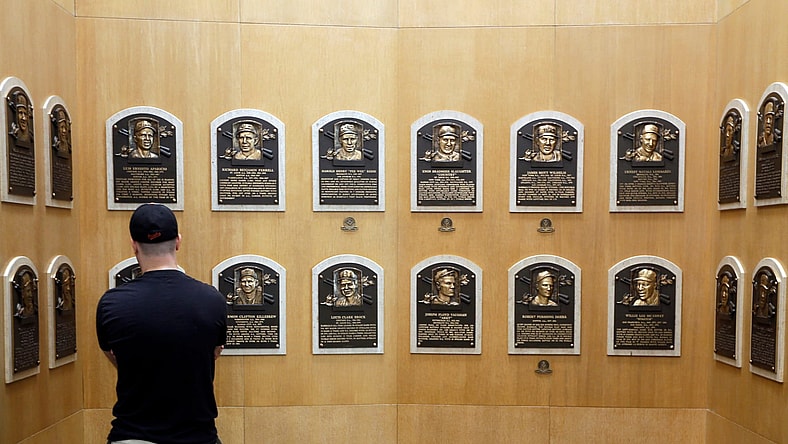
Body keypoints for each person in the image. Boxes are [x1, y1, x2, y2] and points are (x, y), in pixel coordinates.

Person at [96, 203, 226, 444]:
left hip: (131, 437)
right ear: (178, 241)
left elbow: (114, 356)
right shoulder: (212, 300)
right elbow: (214, 352)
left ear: (134, 245)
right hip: (197, 437)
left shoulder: (111, 303)